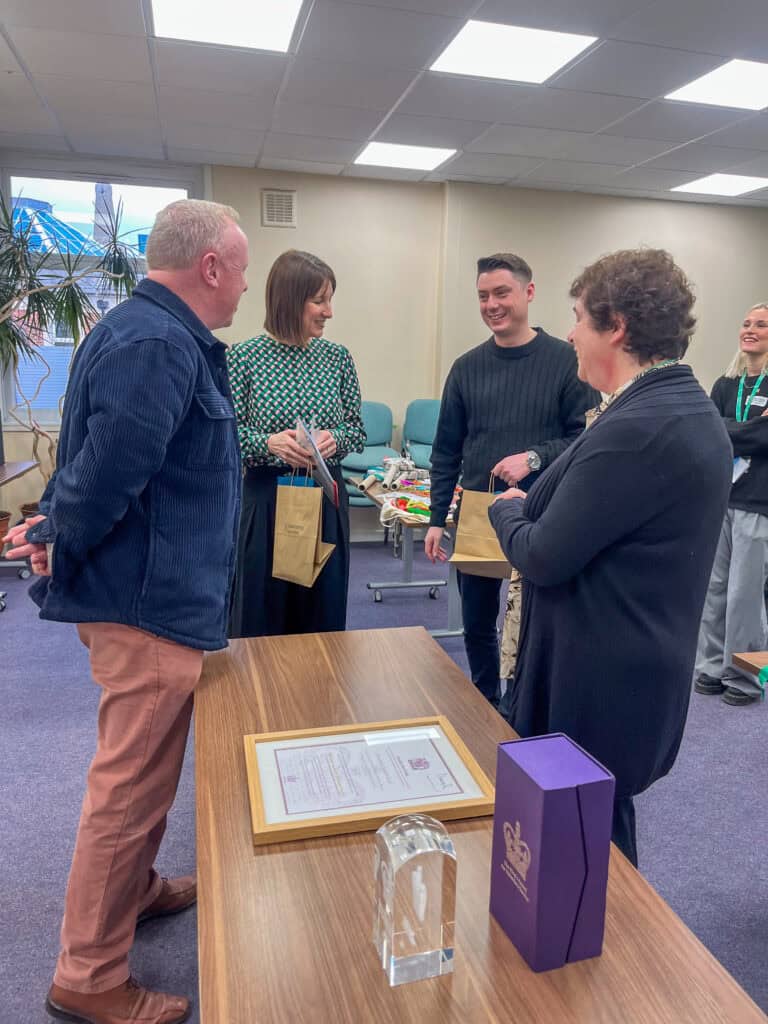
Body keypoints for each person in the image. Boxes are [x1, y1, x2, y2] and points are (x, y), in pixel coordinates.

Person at [3, 198, 248, 1024]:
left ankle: (133, 891)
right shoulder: (155, 341)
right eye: (241, 269)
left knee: (148, 777)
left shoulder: (158, 333)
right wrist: (59, 531)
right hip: (145, 606)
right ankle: (91, 975)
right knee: (129, 789)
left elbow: (110, 460)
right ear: (210, 266)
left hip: (154, 599)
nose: (244, 286)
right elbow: (109, 473)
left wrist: (53, 530)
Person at [488, 249, 731, 866]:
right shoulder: (673, 404)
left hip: (601, 679)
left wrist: (507, 510)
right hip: (628, 663)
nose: (568, 332)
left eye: (577, 317)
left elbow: (543, 556)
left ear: (616, 325)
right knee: (596, 844)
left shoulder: (639, 426)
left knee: (588, 857)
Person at [425, 252, 598, 705]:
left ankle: (522, 702)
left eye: (502, 293)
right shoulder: (466, 367)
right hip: (480, 513)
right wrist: (436, 518)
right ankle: (486, 698)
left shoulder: (566, 362)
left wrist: (535, 458)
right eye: (483, 296)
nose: (491, 304)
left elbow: (586, 437)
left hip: (543, 513)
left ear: (529, 293)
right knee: (479, 622)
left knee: (534, 621)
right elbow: (446, 451)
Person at [227, 249, 365, 637]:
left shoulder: (337, 358)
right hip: (267, 500)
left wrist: (333, 439)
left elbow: (356, 428)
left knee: (321, 614)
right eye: (319, 301)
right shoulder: (243, 358)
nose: (329, 311)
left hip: (323, 499)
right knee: (262, 612)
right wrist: (269, 443)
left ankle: (320, 695)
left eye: (329, 300)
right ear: (289, 299)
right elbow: (226, 436)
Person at [694, 303, 768, 706]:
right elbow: (708, 431)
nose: (750, 329)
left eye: (761, 324)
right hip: (721, 498)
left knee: (746, 595)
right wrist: (749, 429)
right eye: (746, 323)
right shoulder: (726, 385)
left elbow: (762, 438)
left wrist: (732, 431)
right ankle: (709, 668)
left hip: (759, 502)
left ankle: (745, 678)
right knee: (715, 589)